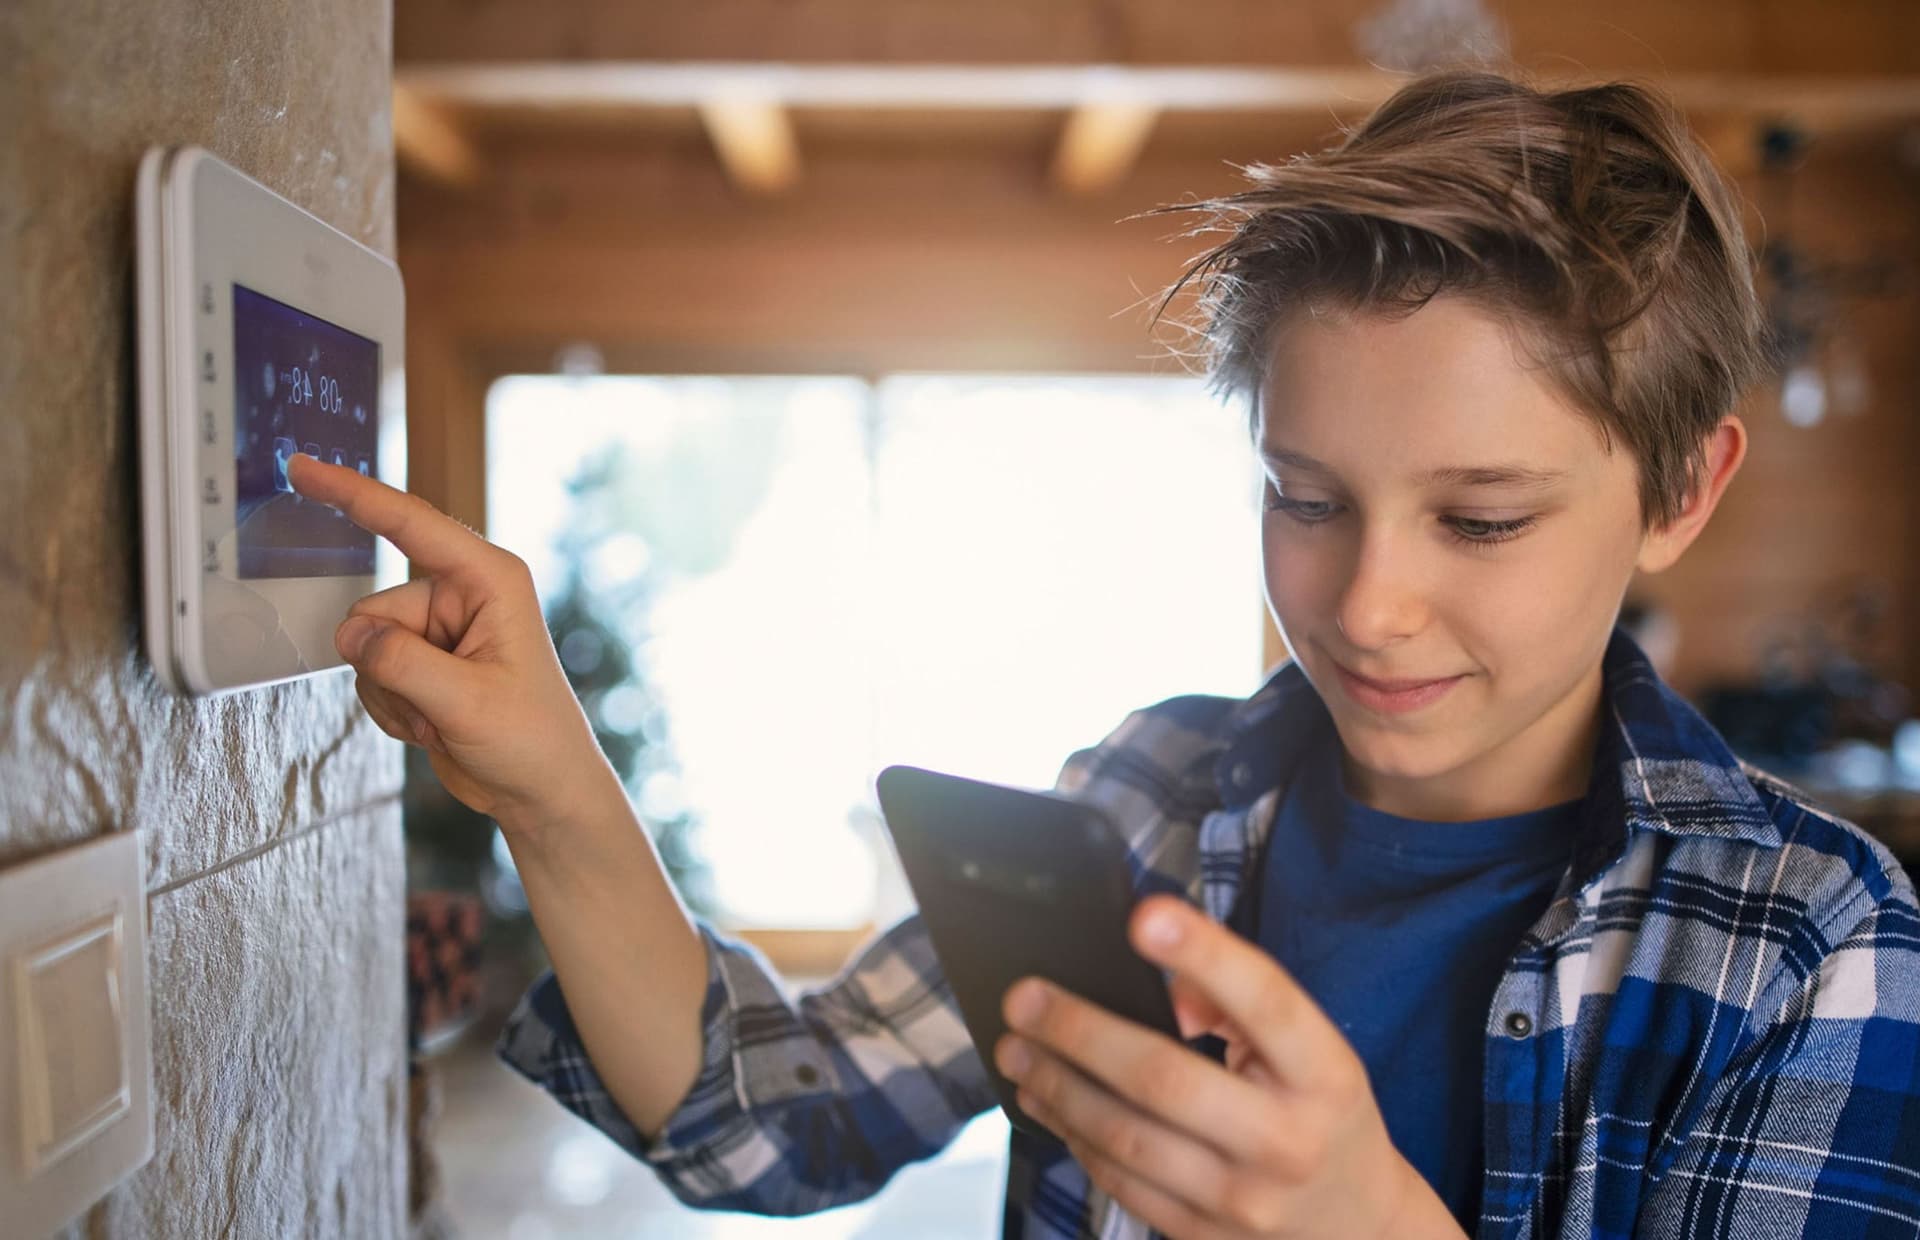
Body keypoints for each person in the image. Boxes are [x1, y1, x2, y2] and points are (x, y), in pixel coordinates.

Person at [288, 66, 1920, 1240]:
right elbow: (762, 1128)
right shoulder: (1149, 794)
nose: (1366, 608)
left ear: (1683, 491)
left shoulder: (1806, 947)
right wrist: (553, 785)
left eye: (1483, 521)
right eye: (1305, 499)